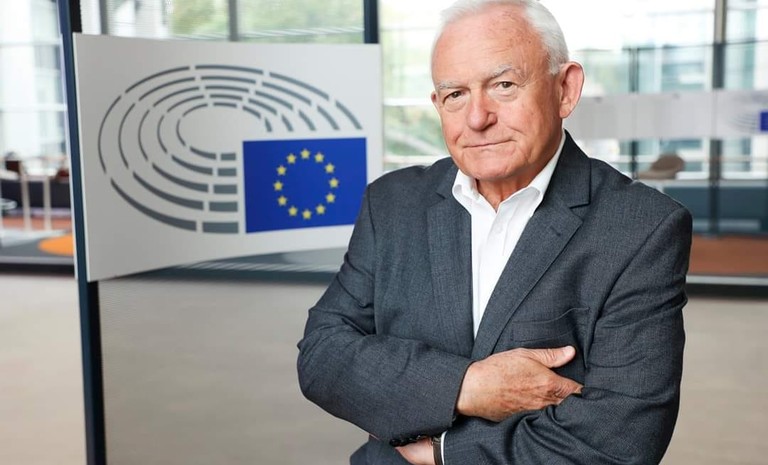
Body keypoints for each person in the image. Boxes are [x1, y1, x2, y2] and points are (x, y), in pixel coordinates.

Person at [297, 0, 692, 463]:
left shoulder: (642, 227)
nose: (477, 117)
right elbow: (322, 355)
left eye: (503, 86)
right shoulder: (392, 204)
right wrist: (466, 386)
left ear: (565, 90)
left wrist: (446, 452)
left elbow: (624, 437)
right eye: (455, 94)